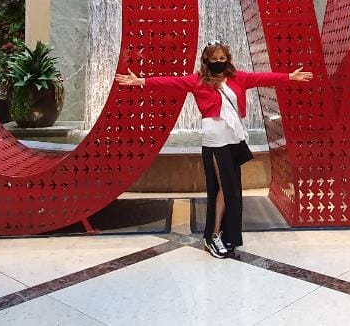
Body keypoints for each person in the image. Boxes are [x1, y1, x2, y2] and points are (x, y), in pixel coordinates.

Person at [115, 40, 313, 259]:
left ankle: (226, 236)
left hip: (234, 138)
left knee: (232, 190)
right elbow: (170, 82)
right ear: (206, 60)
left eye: (222, 58)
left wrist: (289, 77)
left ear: (227, 59)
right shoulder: (198, 81)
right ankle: (212, 237)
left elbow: (264, 78)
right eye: (214, 59)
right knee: (224, 188)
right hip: (215, 141)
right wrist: (140, 81)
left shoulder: (239, 78)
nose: (219, 62)